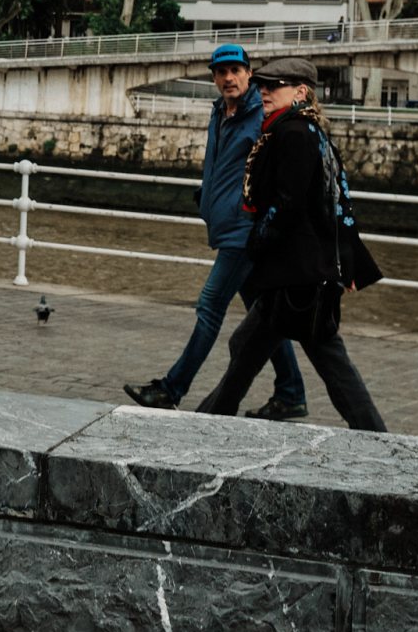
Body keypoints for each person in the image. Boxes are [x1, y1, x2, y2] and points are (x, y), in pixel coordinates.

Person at [194, 55, 387, 432]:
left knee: (323, 361)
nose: (263, 90)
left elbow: (288, 203)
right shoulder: (307, 130)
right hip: (299, 271)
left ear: (301, 92)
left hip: (295, 274)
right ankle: (205, 423)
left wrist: (256, 243)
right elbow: (334, 202)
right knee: (250, 347)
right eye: (262, 84)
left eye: (274, 85)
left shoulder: (292, 133)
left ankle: (375, 435)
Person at [123, 44, 308, 417]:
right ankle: (290, 393)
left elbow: (273, 171)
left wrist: (259, 217)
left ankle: (172, 389)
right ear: (213, 77)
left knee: (209, 307)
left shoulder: (260, 115)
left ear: (248, 73)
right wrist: (206, 196)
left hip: (244, 231)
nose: (228, 78)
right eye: (220, 72)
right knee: (263, 314)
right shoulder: (220, 112)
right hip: (227, 225)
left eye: (235, 71)